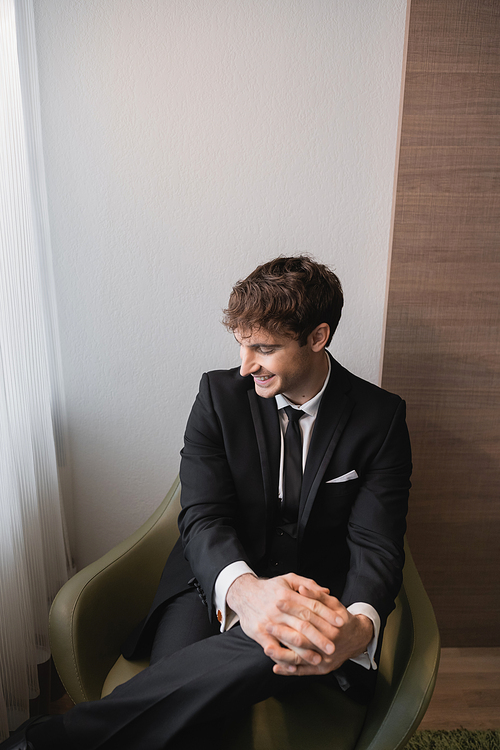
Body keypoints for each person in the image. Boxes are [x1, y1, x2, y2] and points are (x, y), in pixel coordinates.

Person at [3, 256, 411, 750]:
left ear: (318, 337)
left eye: (264, 348)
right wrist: (245, 592)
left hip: (313, 596)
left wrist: (359, 627)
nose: (245, 366)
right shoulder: (218, 396)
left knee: (274, 642)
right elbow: (202, 516)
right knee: (196, 722)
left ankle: (46, 742)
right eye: (241, 345)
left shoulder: (380, 417)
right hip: (210, 584)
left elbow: (377, 543)